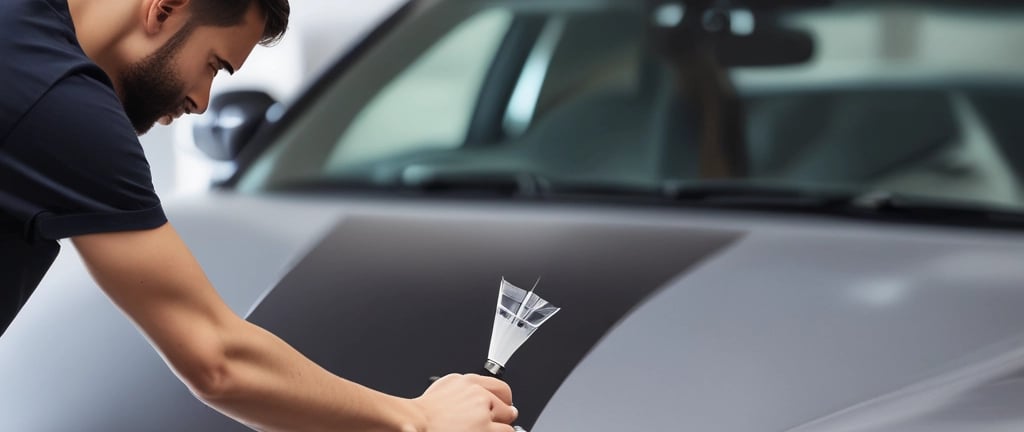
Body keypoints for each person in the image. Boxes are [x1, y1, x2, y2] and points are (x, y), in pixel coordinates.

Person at [0, 0, 518, 430]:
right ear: (166, 7)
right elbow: (218, 361)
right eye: (214, 65)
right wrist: (419, 419)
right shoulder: (64, 104)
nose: (201, 101)